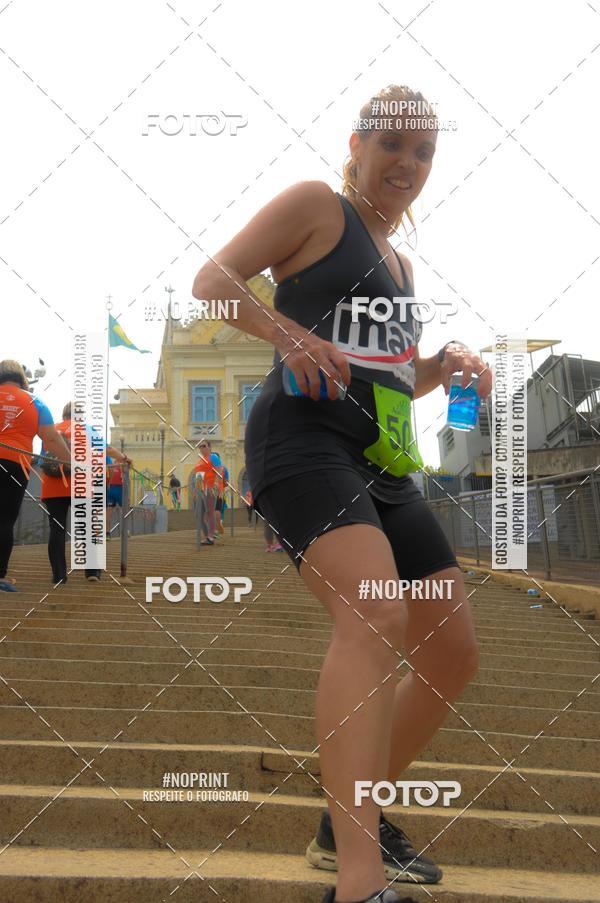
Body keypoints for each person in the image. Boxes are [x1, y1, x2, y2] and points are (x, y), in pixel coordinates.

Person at [193, 84, 492, 903]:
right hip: (301, 441)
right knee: (374, 610)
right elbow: (210, 281)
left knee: (452, 649)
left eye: (425, 152)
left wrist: (447, 367)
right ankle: (360, 886)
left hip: (383, 460)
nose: (409, 163)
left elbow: (391, 377)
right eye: (394, 144)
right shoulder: (317, 206)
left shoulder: (402, 263)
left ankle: (346, 818)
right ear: (356, 143)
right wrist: (286, 331)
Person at [40, 402, 131, 584]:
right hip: (81, 485)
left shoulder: (51, 430)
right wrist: (124, 458)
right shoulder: (86, 429)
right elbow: (107, 450)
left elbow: (43, 456)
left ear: (64, 414)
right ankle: (92, 572)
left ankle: (59, 575)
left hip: (53, 486)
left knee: (57, 530)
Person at [0, 360, 71, 592]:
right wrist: (73, 462)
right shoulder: (35, 401)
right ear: (22, 378)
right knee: (5, 521)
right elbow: (51, 439)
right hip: (14, 465)